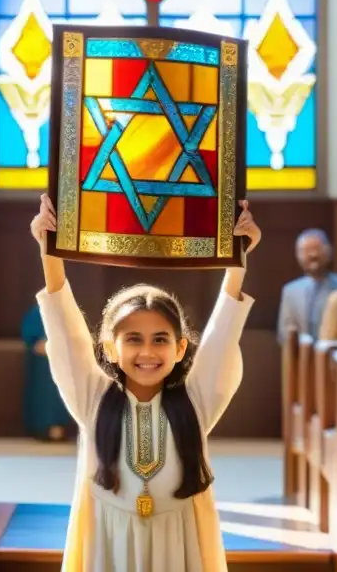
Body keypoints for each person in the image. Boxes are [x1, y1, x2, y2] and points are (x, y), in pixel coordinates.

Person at [30, 193, 261, 571]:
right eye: (133, 339)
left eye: (160, 340)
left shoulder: (197, 401)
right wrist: (48, 249)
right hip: (110, 546)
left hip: (179, 545)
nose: (147, 353)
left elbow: (222, 335)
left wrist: (239, 255)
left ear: (181, 347)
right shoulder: (93, 399)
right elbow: (65, 329)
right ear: (109, 346)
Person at [276, 229, 337, 343]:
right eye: (306, 250)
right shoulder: (290, 291)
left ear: (329, 252)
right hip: (300, 356)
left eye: (317, 249)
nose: (313, 254)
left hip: (335, 355)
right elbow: (283, 332)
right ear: (298, 255)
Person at [21, 302, 73, 441]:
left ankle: (58, 428)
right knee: (41, 395)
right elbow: (29, 336)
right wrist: (38, 345)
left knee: (58, 395)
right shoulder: (36, 312)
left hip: (62, 361)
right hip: (41, 364)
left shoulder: (66, 311)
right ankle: (40, 428)